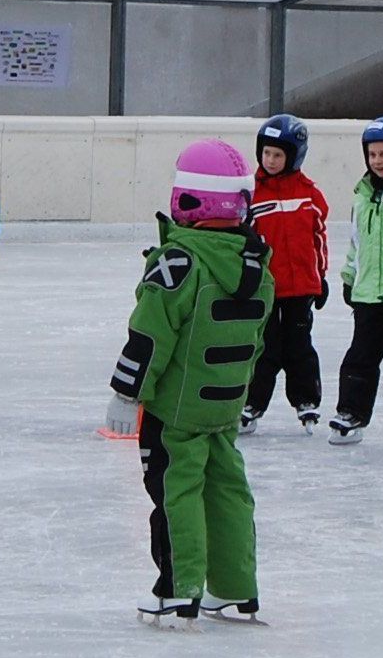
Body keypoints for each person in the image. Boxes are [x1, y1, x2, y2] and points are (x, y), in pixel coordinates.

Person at [106, 138, 273, 621]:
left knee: (175, 492)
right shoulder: (255, 265)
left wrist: (126, 392)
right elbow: (258, 341)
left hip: (174, 411)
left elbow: (148, 336)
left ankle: (178, 588)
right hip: (222, 407)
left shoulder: (179, 263)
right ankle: (237, 587)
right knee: (227, 493)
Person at [329, 115, 383, 441]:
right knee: (360, 358)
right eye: (372, 154)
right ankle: (351, 412)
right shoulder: (362, 194)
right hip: (368, 293)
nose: (377, 161)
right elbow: (356, 241)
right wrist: (350, 276)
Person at [243, 112, 333, 433]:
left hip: (300, 288)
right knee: (264, 348)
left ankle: (306, 400)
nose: (270, 160)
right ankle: (251, 403)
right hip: (266, 288)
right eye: (266, 153)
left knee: (299, 346)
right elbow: (245, 242)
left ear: (294, 156)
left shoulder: (309, 194)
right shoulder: (251, 194)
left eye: (278, 154)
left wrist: (320, 277)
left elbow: (319, 238)